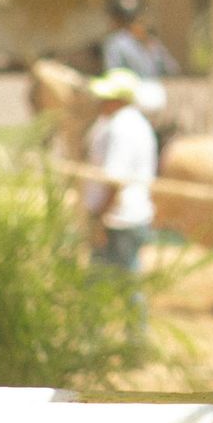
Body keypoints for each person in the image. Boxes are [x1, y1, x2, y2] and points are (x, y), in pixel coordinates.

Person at [82, 68, 158, 285]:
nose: (101, 102)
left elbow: (116, 179)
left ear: (121, 100)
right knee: (118, 281)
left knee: (107, 283)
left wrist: (99, 217)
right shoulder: (137, 123)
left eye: (107, 98)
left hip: (119, 218)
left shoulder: (121, 127)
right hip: (131, 215)